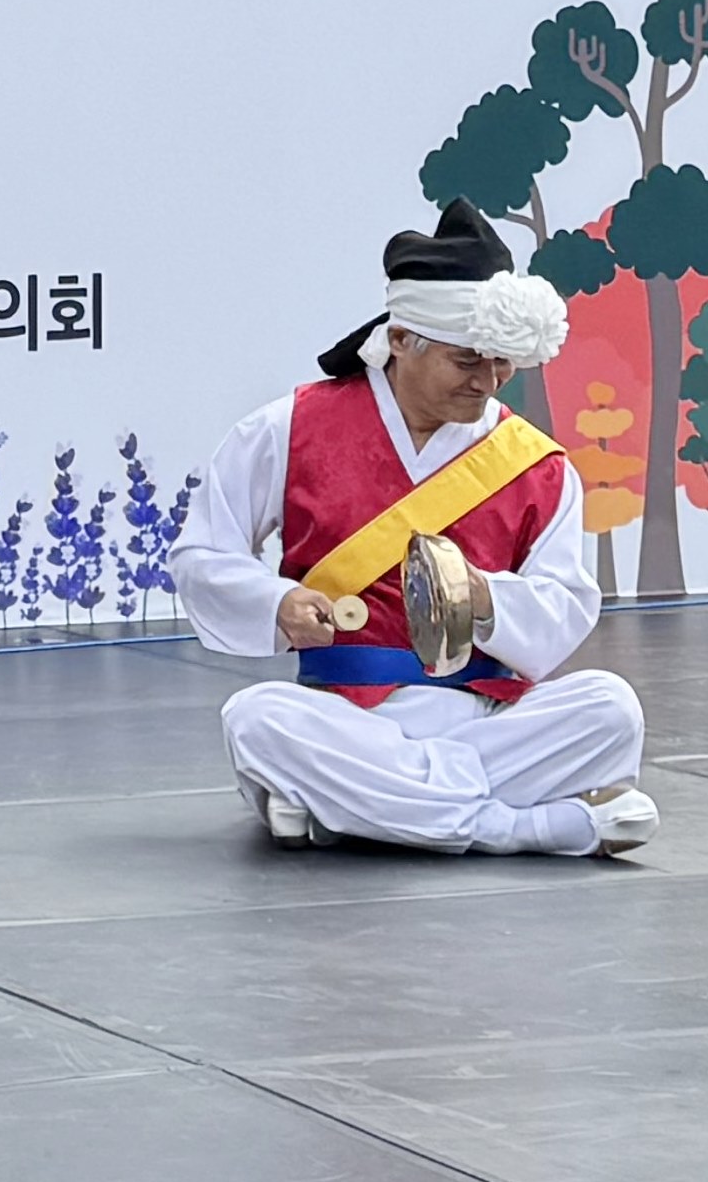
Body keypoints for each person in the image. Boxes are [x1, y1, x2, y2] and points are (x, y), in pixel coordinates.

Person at [172, 205, 657, 860]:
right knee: (257, 720)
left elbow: (565, 606)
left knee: (610, 708)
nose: (487, 382)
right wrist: (275, 603)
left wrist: (481, 595)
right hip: (347, 717)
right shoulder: (290, 427)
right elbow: (203, 553)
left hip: (492, 717)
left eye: (501, 364)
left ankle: (355, 810)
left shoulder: (537, 465)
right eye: (467, 362)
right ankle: (526, 826)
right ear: (402, 339)